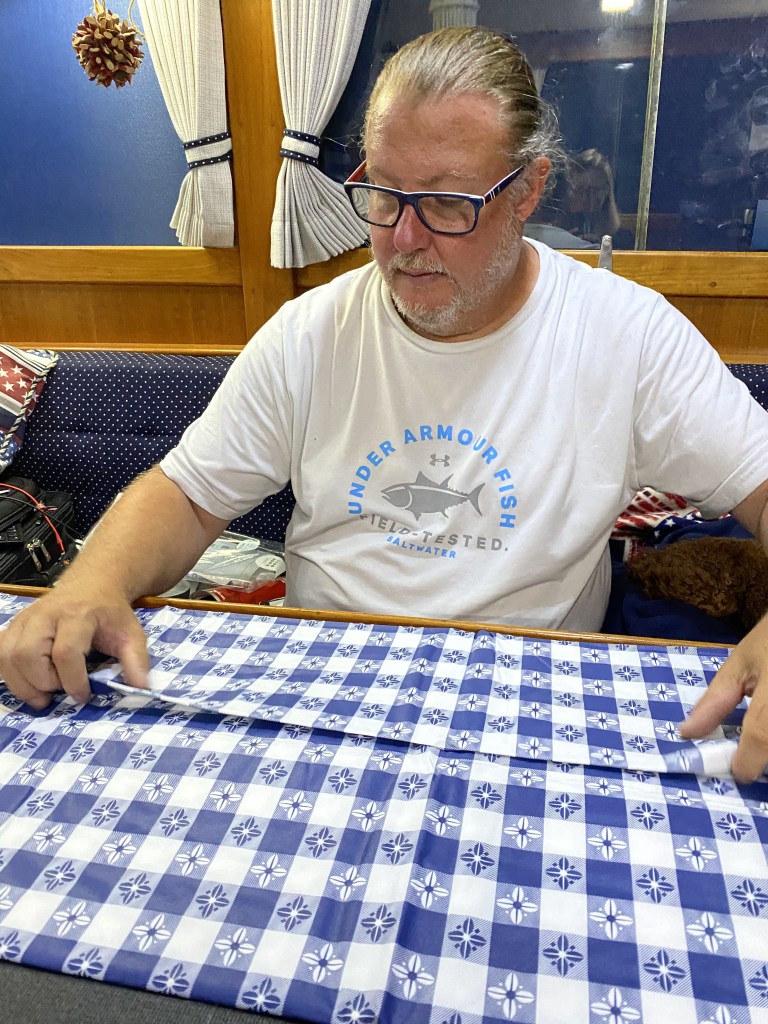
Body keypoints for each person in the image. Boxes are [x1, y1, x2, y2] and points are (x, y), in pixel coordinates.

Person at [1, 27, 767, 782]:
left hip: (527, 693)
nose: (403, 239)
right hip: (321, 680)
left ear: (527, 190)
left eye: (447, 203)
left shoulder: (627, 333)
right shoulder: (312, 330)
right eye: (384, 194)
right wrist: (91, 584)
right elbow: (189, 494)